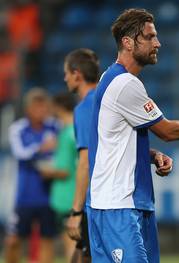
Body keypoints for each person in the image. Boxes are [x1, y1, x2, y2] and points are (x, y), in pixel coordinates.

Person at [87, 8, 179, 262]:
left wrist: (149, 155)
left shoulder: (111, 78)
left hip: (120, 203)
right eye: (150, 37)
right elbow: (167, 131)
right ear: (128, 42)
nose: (158, 43)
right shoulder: (125, 84)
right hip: (118, 205)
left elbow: (112, 139)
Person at [5, 88, 59, 263]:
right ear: (28, 109)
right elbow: (19, 153)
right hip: (24, 196)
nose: (42, 112)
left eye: (44, 108)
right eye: (37, 108)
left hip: (48, 196)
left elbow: (63, 150)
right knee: (14, 240)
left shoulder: (54, 126)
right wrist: (41, 148)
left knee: (47, 240)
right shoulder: (18, 128)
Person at [62, 48, 100, 263]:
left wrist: (76, 212)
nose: (64, 78)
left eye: (67, 72)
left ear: (77, 74)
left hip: (95, 200)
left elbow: (85, 161)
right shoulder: (104, 99)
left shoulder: (86, 107)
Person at [38, 92, 78, 262]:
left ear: (58, 107)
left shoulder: (68, 133)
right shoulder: (73, 131)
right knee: (74, 243)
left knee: (71, 244)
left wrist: (47, 171)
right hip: (71, 194)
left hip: (67, 195)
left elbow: (65, 170)